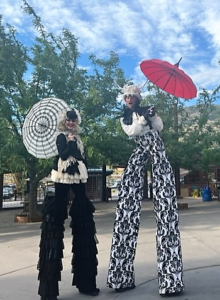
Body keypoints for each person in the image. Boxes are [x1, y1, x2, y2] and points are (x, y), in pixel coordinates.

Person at [107, 84, 184, 296]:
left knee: (166, 208)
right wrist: (142, 119)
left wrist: (153, 115)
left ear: (137, 98)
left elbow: (159, 128)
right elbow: (133, 131)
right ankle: (120, 276)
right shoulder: (125, 118)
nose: (129, 99)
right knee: (126, 208)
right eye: (126, 97)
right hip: (140, 152)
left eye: (132, 96)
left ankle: (170, 280)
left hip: (158, 152)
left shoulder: (146, 111)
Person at [37, 108, 100, 300]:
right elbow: (63, 155)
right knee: (55, 219)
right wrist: (70, 143)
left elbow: (81, 157)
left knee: (83, 217)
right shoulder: (61, 136)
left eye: (73, 120)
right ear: (64, 121)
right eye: (68, 120)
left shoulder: (78, 138)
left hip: (79, 176)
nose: (71, 123)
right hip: (62, 176)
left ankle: (86, 283)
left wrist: (75, 145)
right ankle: (49, 290)